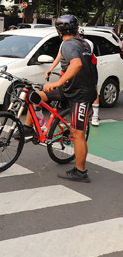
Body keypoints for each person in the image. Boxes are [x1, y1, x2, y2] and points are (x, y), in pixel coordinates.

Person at [35, 15, 97, 182]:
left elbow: (77, 64)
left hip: (80, 95)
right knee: (36, 96)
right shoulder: (83, 43)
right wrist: (54, 71)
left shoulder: (69, 44)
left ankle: (81, 172)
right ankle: (29, 127)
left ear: (58, 31)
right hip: (70, 88)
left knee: (78, 133)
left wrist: (57, 83)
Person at [44, 25, 100, 127]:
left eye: (80, 35)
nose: (79, 37)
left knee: (94, 89)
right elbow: (59, 56)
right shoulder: (65, 44)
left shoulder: (86, 44)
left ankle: (95, 116)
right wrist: (51, 68)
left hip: (87, 72)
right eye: (78, 34)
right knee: (60, 85)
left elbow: (79, 62)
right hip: (70, 70)